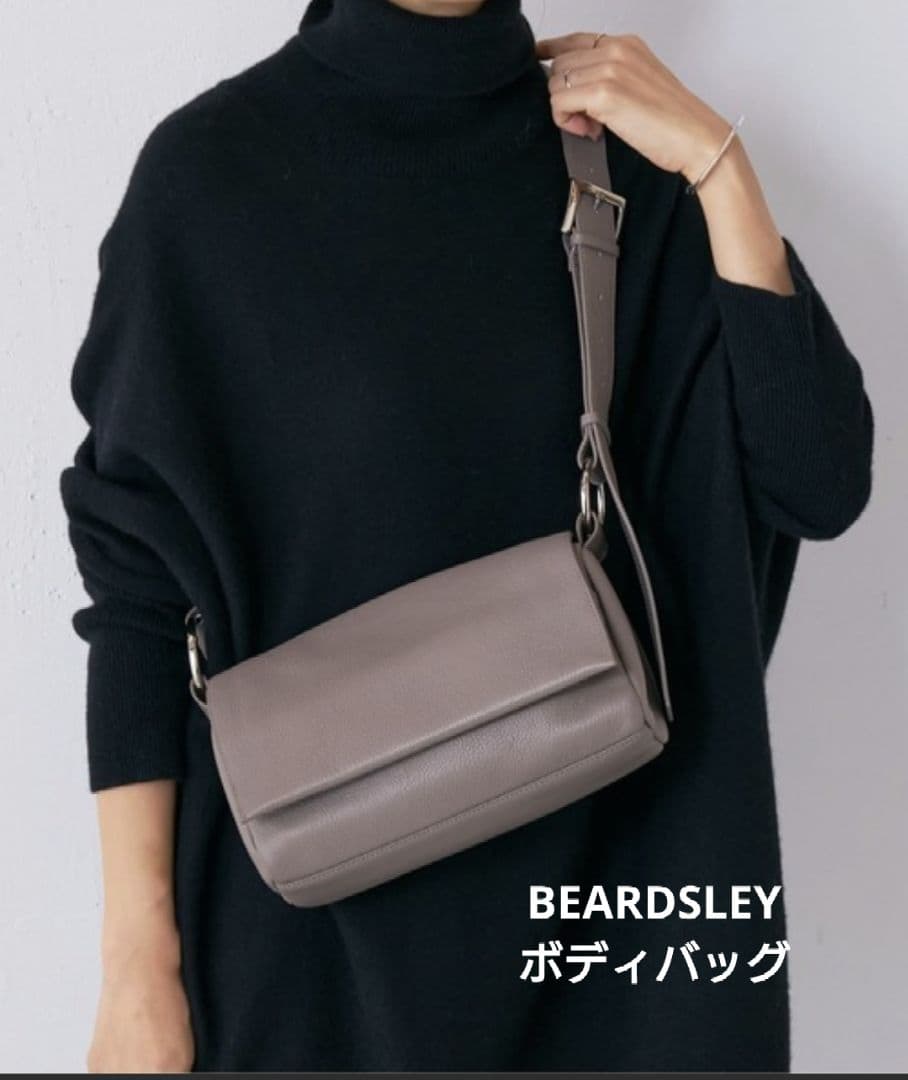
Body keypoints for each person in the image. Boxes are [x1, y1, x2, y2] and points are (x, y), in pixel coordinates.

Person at [60, 0, 874, 1072]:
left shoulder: (629, 161)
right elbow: (138, 596)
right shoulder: (211, 177)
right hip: (308, 965)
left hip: (618, 947)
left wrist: (720, 171)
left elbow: (819, 484)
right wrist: (135, 967)